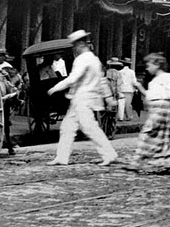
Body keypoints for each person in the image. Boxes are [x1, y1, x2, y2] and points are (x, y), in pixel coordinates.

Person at [47, 30, 118, 167]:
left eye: (74, 45)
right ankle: (62, 157)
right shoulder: (94, 59)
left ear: (80, 44)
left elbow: (73, 78)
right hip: (83, 97)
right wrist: (108, 98)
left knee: (89, 127)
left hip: (82, 98)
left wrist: (56, 87)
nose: (74, 48)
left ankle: (109, 154)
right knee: (67, 127)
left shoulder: (82, 59)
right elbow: (102, 80)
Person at [127, 52, 170, 172]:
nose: (147, 68)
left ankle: (137, 162)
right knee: (164, 136)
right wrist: (140, 88)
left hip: (161, 109)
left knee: (147, 134)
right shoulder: (158, 80)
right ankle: (167, 163)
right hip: (160, 109)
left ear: (157, 65)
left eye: (149, 65)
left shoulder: (165, 78)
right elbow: (151, 96)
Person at [117, 57, 137, 121]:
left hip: (121, 89)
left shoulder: (119, 72)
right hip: (129, 89)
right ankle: (128, 116)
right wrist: (135, 88)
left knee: (121, 104)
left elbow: (118, 82)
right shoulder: (131, 72)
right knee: (128, 104)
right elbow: (134, 81)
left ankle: (121, 117)